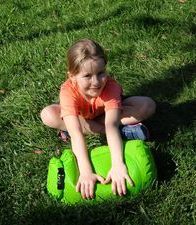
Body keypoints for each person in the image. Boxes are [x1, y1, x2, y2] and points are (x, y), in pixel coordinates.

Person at [41, 38, 156, 199]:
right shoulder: (68, 91)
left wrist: (118, 164)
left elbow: (111, 125)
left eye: (101, 73)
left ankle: (103, 130)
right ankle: (126, 131)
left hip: (106, 117)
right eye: (87, 76)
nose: (96, 82)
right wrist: (86, 172)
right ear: (72, 76)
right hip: (81, 120)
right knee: (48, 115)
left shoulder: (110, 87)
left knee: (147, 105)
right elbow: (76, 134)